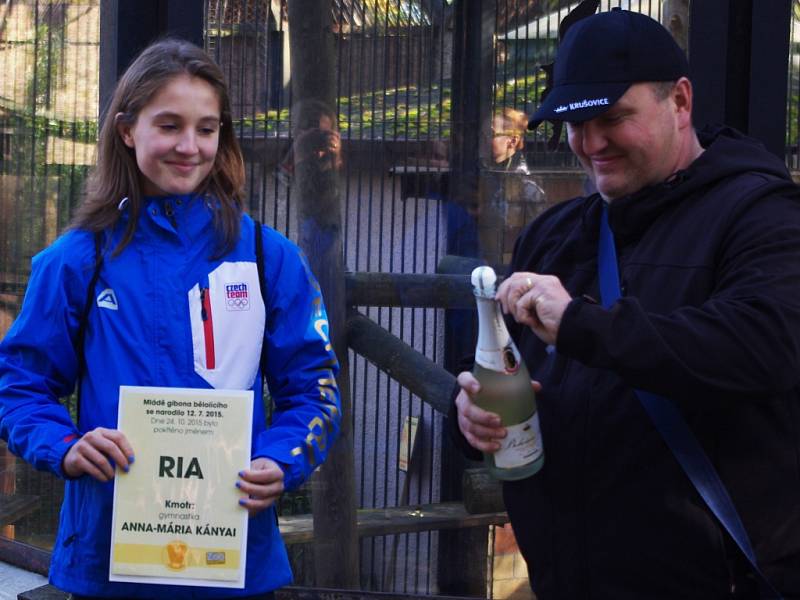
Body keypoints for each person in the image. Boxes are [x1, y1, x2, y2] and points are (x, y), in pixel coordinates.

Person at [451, 9, 800, 600]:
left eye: (612, 118)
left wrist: (584, 324)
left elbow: (763, 346)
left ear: (681, 102)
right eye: (574, 125)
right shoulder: (555, 233)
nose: (591, 144)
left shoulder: (762, 215)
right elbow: (502, 373)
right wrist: (470, 416)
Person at [0, 39, 341, 599]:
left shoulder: (267, 257)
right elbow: (19, 387)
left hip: (235, 563)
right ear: (127, 129)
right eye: (169, 125)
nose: (190, 146)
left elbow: (316, 389)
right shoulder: (76, 260)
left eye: (207, 128)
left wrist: (282, 460)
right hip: (105, 563)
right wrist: (64, 445)